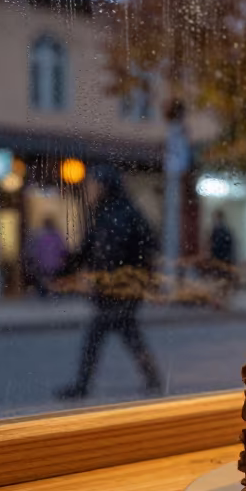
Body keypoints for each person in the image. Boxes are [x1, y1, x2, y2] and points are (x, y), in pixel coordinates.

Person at [55, 165, 162, 400]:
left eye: (94, 184)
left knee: (96, 335)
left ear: (106, 186)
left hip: (119, 291)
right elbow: (89, 249)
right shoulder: (108, 213)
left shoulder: (121, 214)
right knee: (129, 335)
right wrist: (66, 269)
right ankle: (153, 379)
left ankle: (82, 386)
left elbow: (130, 251)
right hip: (117, 290)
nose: (90, 190)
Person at [28, 217, 67, 297]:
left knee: (45, 279)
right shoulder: (56, 235)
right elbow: (62, 249)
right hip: (55, 263)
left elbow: (36, 251)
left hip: (44, 263)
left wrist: (36, 261)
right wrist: (62, 259)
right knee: (53, 278)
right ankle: (54, 292)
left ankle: (46, 292)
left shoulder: (40, 236)